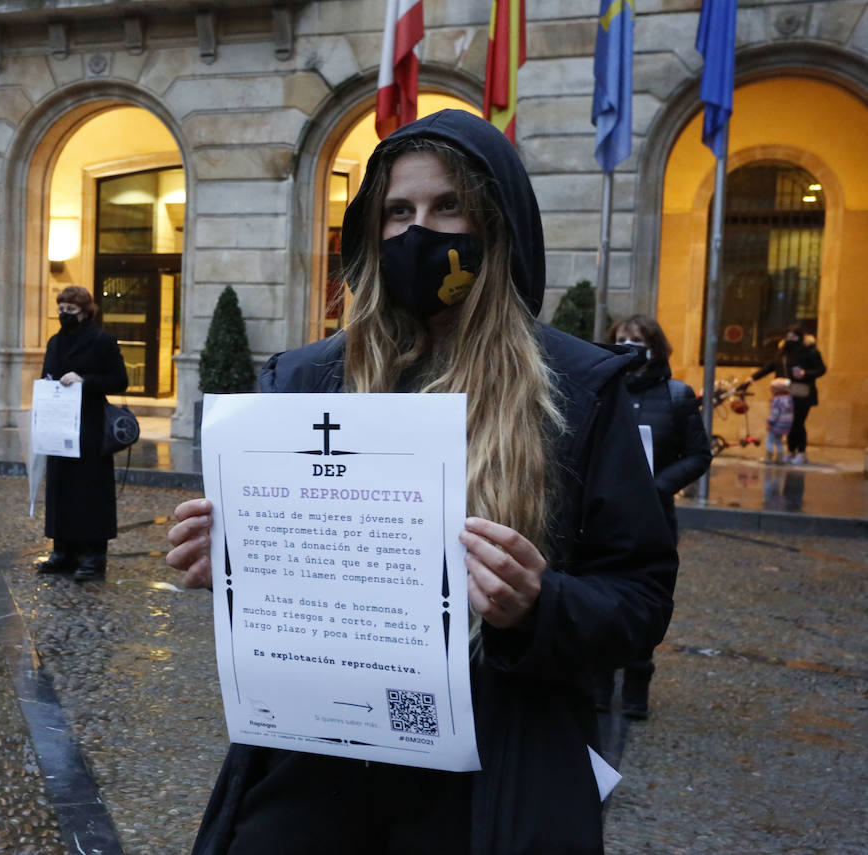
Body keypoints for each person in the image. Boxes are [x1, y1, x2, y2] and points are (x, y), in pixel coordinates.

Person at [166, 111, 678, 854]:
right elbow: (290, 574)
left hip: (490, 770)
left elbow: (639, 599)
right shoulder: (306, 379)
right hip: (316, 762)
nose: (419, 231)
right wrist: (236, 558)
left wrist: (541, 603)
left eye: (447, 207)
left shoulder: (578, 388)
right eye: (398, 212)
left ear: (495, 224)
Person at [598, 315, 711, 719]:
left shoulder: (678, 396)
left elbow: (699, 455)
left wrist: (658, 486)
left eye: (638, 339)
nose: (630, 344)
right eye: (622, 338)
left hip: (655, 517)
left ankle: (636, 686)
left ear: (655, 345)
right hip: (604, 516)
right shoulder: (602, 389)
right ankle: (599, 683)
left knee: (645, 597)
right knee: (600, 593)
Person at [36, 285, 129, 581]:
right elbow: (46, 375)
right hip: (58, 426)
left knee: (89, 492)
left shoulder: (102, 341)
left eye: (71, 310)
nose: (64, 314)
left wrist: (83, 380)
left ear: (86, 311)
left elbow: (119, 380)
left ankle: (92, 556)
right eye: (61, 309)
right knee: (60, 490)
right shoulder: (54, 342)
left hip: (89, 428)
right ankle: (62, 550)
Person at [750, 325, 826, 464]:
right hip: (784, 393)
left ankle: (801, 453)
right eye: (789, 336)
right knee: (790, 424)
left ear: (800, 337)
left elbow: (821, 369)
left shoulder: (811, 351)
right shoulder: (783, 352)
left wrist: (805, 373)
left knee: (798, 422)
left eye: (794, 337)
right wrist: (752, 378)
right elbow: (771, 366)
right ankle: (791, 452)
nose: (791, 339)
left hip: (803, 393)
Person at [765, 378, 794, 464]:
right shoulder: (789, 399)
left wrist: (770, 422)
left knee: (769, 440)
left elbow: (774, 413)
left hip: (776, 424)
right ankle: (780, 458)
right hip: (786, 424)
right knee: (778, 441)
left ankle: (768, 457)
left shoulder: (777, 400)